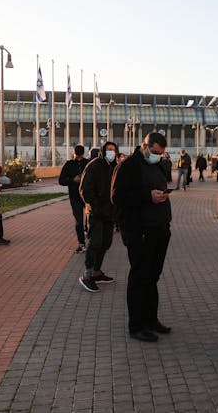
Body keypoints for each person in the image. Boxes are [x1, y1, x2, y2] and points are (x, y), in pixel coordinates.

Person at [112, 132, 172, 342]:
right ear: (144, 146)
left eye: (161, 154)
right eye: (155, 152)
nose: (158, 156)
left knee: (152, 277)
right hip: (140, 231)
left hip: (159, 229)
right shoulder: (128, 166)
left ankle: (151, 320)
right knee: (139, 277)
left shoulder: (156, 164)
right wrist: (148, 196)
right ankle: (136, 325)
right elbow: (117, 197)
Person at [78, 141, 119, 293]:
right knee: (95, 243)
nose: (111, 153)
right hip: (95, 213)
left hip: (109, 214)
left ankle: (96, 272)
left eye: (114, 150)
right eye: (109, 150)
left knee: (106, 243)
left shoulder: (114, 167)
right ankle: (87, 275)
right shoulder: (94, 165)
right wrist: (95, 206)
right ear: (103, 151)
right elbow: (84, 189)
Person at [59, 145, 90, 253]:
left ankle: (91, 239)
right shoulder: (69, 164)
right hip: (75, 197)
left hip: (88, 197)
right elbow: (61, 180)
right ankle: (81, 243)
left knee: (89, 220)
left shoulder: (88, 163)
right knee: (79, 222)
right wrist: (73, 180)